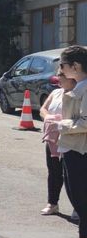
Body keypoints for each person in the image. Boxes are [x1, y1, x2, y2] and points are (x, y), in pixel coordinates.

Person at [56, 46, 87, 238]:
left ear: (75, 66)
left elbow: (85, 122)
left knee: (81, 199)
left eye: (63, 66)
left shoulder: (84, 88)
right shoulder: (80, 87)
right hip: (74, 149)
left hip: (79, 151)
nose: (61, 70)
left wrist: (61, 124)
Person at [40, 73, 76, 216]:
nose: (57, 78)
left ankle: (78, 207)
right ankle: (52, 203)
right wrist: (48, 116)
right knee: (54, 171)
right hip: (52, 138)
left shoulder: (78, 94)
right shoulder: (56, 92)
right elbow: (43, 109)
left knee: (72, 175)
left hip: (70, 138)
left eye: (61, 75)